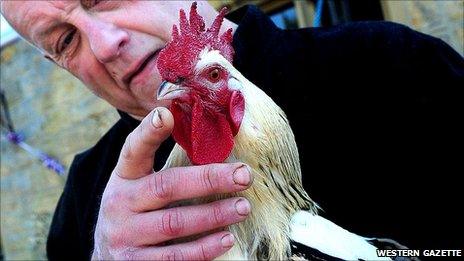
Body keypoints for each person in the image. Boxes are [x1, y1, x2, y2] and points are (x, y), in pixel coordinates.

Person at [2, 0, 463, 260]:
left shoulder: (392, 62)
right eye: (66, 41)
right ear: (57, 65)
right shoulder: (88, 201)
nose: (105, 45)